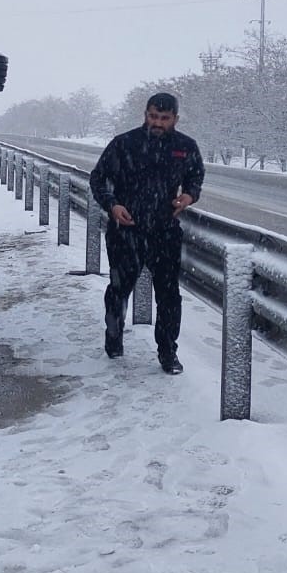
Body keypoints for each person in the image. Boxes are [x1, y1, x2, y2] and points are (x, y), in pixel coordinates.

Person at [88, 92, 205, 374]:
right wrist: (112, 205)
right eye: (153, 116)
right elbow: (98, 178)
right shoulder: (124, 144)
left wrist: (189, 195)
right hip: (126, 229)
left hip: (164, 232)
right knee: (119, 289)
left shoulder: (185, 147)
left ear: (175, 119)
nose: (158, 122)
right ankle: (113, 337)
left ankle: (168, 353)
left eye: (164, 118)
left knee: (168, 295)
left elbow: (196, 176)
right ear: (145, 114)